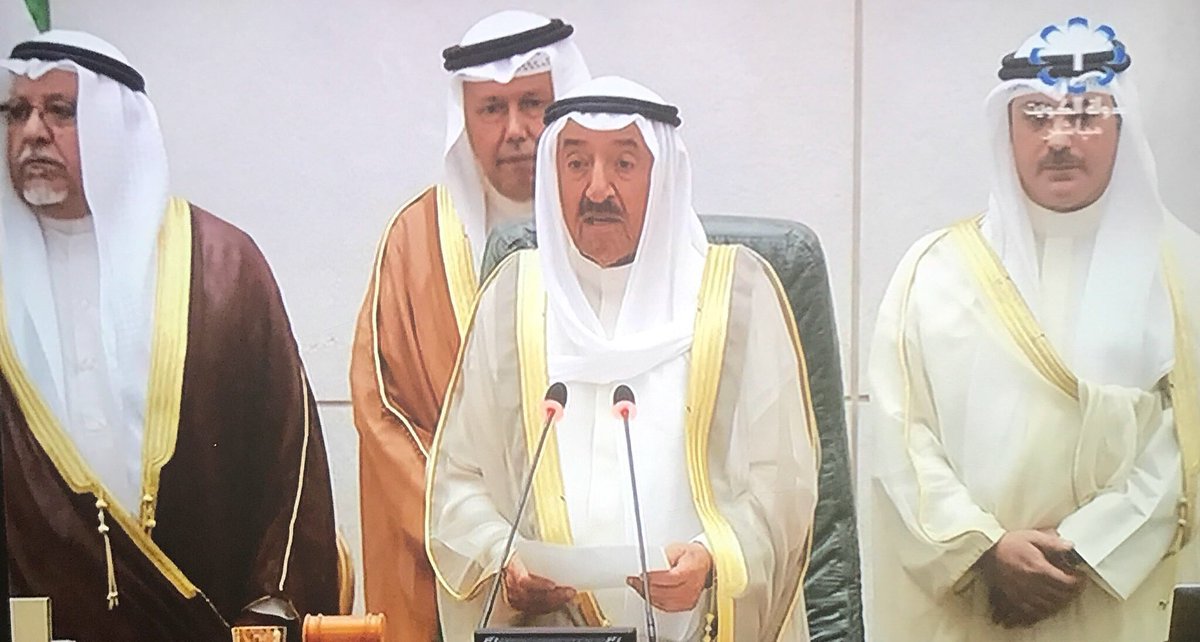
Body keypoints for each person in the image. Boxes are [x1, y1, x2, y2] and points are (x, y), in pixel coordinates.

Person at [426, 76, 819, 642]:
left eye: (625, 165)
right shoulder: (513, 298)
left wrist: (713, 563)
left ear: (662, 178)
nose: (597, 189)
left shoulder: (736, 296)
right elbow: (458, 484)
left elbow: (781, 490)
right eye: (577, 164)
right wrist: (500, 557)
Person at [860, 17, 1200, 641]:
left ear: (1121, 125)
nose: (1060, 139)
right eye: (1038, 116)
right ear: (1006, 130)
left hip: (1118, 600)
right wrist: (983, 548)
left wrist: (1089, 549)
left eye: (1086, 114)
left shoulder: (1186, 272)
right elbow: (900, 438)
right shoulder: (934, 272)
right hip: (974, 603)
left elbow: (1188, 444)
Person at [0, 30, 338, 639]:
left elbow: (292, 461)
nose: (31, 132)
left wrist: (273, 607)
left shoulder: (223, 267)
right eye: (17, 111)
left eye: (62, 111)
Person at [348, 11, 589, 641]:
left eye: (533, 104)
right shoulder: (415, 241)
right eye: (491, 110)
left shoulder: (615, 226)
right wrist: (487, 544)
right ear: (464, 118)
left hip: (602, 564)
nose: (514, 130)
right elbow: (385, 415)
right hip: (462, 581)